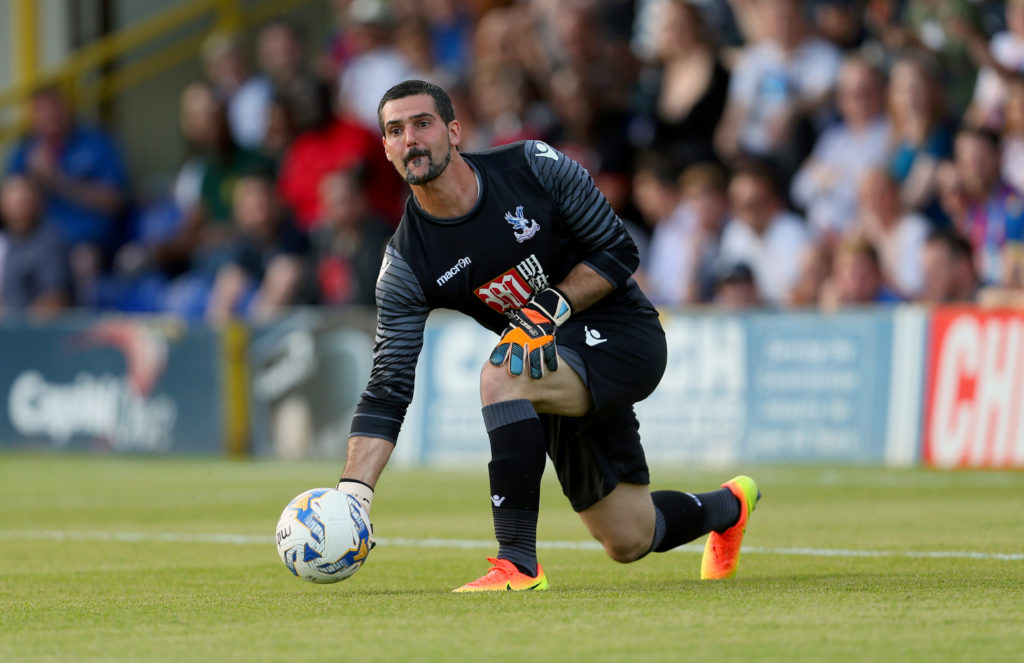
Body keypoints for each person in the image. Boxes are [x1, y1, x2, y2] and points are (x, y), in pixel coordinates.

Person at [335, 80, 760, 592]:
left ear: (453, 131)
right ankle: (728, 507)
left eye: (422, 124)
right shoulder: (405, 264)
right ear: (385, 147)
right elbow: (388, 386)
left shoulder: (532, 165)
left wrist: (548, 307)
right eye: (395, 131)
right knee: (628, 538)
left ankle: (516, 563)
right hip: (549, 370)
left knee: (501, 375)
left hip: (623, 333)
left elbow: (618, 251)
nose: (411, 140)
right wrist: (353, 494)